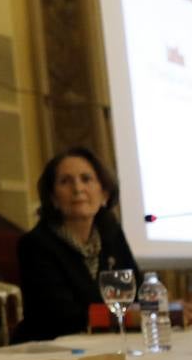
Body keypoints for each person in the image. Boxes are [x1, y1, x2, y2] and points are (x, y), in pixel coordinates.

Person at [12, 147, 139, 343]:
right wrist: (131, 316)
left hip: (106, 343)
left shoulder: (112, 236)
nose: (78, 189)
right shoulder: (35, 245)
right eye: (65, 181)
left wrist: (167, 308)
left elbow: (135, 293)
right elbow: (62, 316)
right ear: (53, 198)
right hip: (49, 353)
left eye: (86, 179)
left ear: (104, 193)